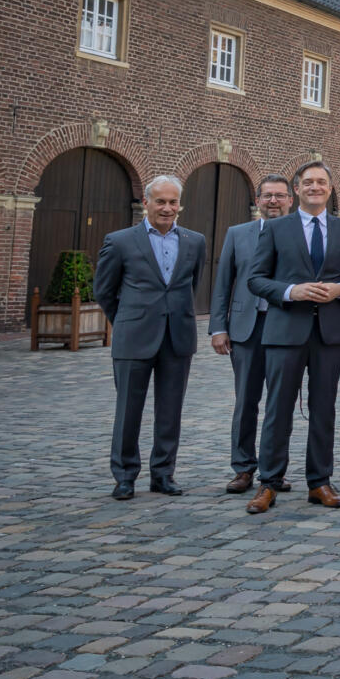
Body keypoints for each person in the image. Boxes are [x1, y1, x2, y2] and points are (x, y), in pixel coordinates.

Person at [245, 161, 340, 514]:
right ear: (296, 189)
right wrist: (290, 292)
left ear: (330, 188)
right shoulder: (276, 228)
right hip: (285, 329)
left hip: (328, 332)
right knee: (277, 409)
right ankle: (268, 483)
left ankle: (320, 482)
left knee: (324, 409)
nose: (315, 187)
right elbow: (256, 279)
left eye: (322, 182)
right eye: (308, 182)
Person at [94, 175, 208, 500]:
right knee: (128, 410)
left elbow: (191, 285)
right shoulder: (120, 241)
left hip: (178, 338)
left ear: (180, 205)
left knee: (170, 412)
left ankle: (163, 474)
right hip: (134, 338)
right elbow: (104, 291)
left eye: (173, 202)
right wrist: (128, 320)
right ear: (146, 203)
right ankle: (125, 476)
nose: (167, 208)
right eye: (161, 201)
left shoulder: (194, 241)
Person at [209, 175, 292, 495]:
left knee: (280, 403)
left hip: (284, 326)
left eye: (280, 196)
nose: (273, 201)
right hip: (246, 327)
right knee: (246, 401)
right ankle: (243, 467)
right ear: (257, 200)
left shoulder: (297, 234)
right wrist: (219, 327)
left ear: (290, 200)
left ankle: (274, 470)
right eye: (267, 196)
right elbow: (223, 283)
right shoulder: (237, 234)